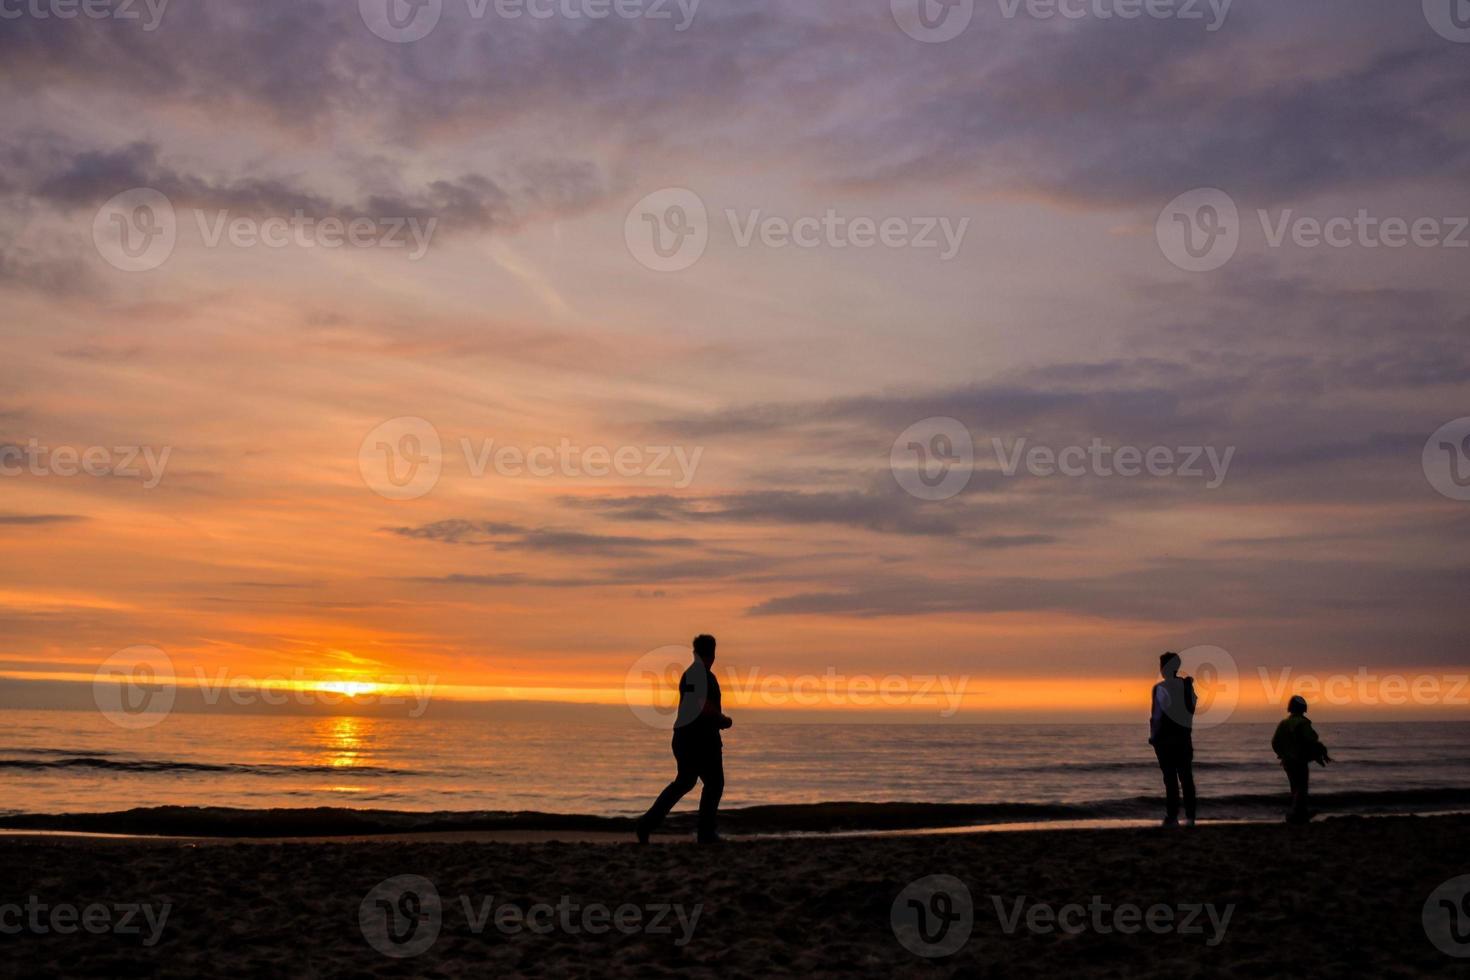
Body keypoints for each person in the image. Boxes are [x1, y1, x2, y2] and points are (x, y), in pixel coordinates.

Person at [636, 634, 733, 844]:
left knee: (685, 782)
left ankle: (647, 824)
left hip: (685, 738)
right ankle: (705, 833)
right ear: (713, 653)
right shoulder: (700, 675)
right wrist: (723, 719)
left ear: (695, 652)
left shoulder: (693, 674)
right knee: (714, 784)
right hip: (700, 741)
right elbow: (701, 704)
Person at [1149, 652, 1198, 827]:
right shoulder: (1187, 686)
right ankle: (1191, 816)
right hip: (1184, 738)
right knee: (1186, 778)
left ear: (1164, 668)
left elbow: (1157, 716)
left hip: (1166, 740)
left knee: (1170, 779)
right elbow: (1192, 707)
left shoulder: (1160, 688)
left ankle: (1172, 816)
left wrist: (1153, 737)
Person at [1272, 695, 1331, 824]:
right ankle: (1296, 813)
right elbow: (1311, 739)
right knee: (1301, 787)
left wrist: (1282, 754)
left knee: (1294, 787)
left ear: (1290, 708)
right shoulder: (1303, 723)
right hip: (1299, 760)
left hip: (1287, 762)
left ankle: (1299, 813)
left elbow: (1275, 742)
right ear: (1303, 709)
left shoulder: (1284, 723)